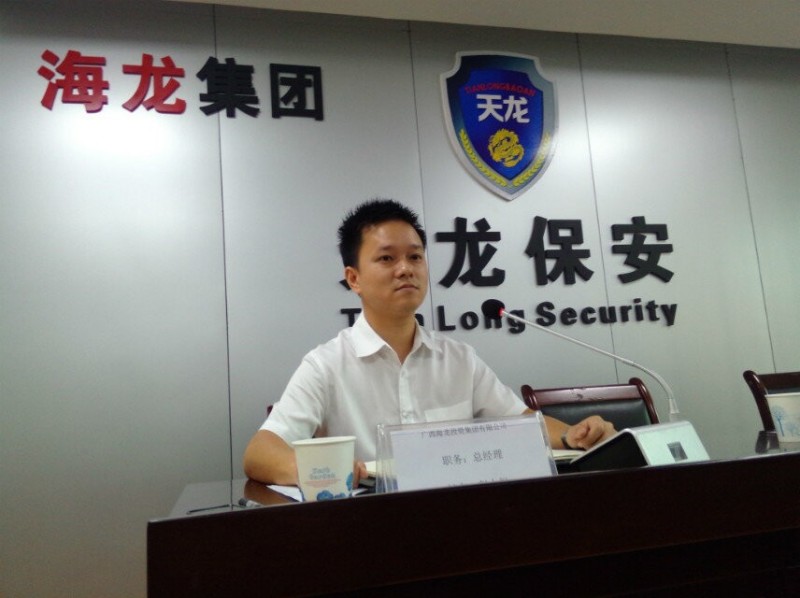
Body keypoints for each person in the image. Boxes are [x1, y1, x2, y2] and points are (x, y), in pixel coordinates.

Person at [243, 199, 615, 485]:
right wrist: (322, 470)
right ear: (354, 279)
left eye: (415, 257)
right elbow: (260, 453)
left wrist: (572, 435)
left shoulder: (459, 359)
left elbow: (522, 423)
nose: (405, 268)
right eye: (386, 258)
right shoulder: (326, 365)